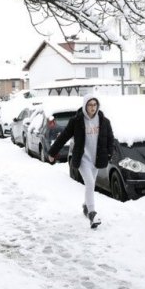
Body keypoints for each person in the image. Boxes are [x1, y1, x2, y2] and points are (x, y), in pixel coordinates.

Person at [48, 94, 114, 228]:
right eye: (90, 105)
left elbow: (110, 139)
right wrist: (52, 152)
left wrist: (109, 154)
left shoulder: (104, 121)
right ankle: (92, 213)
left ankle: (86, 206)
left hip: (96, 159)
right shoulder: (77, 121)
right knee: (90, 183)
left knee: (91, 184)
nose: (93, 108)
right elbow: (64, 136)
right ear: (85, 105)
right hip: (83, 158)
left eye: (95, 105)